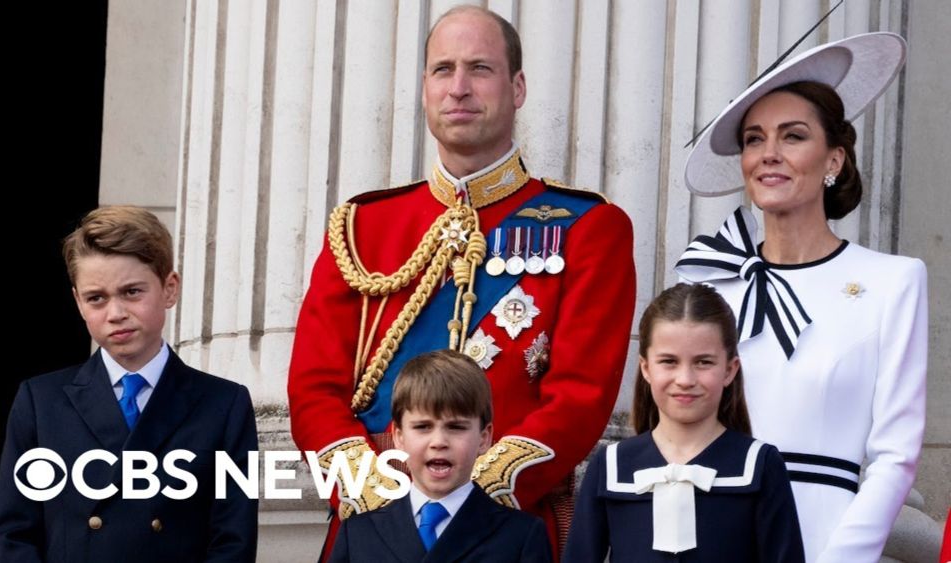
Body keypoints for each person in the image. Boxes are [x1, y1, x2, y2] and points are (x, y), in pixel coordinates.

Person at [288, 5, 636, 559]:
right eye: (442, 70)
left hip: (506, 527)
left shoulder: (588, 228)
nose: (459, 88)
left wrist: (475, 492)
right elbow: (313, 389)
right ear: (425, 89)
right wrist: (375, 492)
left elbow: (582, 395)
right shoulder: (362, 226)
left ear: (517, 87)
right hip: (373, 523)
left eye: (480, 68)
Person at [675, 32, 926, 562]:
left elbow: (895, 455)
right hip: (710, 535)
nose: (769, 154)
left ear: (833, 159)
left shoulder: (894, 281)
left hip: (828, 537)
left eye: (792, 137)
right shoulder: (706, 282)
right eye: (753, 139)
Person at [0, 206, 259, 562]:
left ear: (169, 288)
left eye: (132, 292)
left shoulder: (225, 405)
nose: (115, 313)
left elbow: (233, 542)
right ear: (78, 303)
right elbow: (13, 536)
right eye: (96, 298)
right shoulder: (40, 403)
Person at [563, 283, 804, 562]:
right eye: (668, 361)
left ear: (729, 369)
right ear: (646, 368)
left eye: (703, 362)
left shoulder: (759, 464)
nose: (686, 379)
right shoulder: (612, 465)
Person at [329, 349, 553, 562]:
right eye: (423, 427)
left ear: (484, 438)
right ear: (399, 437)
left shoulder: (521, 536)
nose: (438, 442)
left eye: (456, 427)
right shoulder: (358, 534)